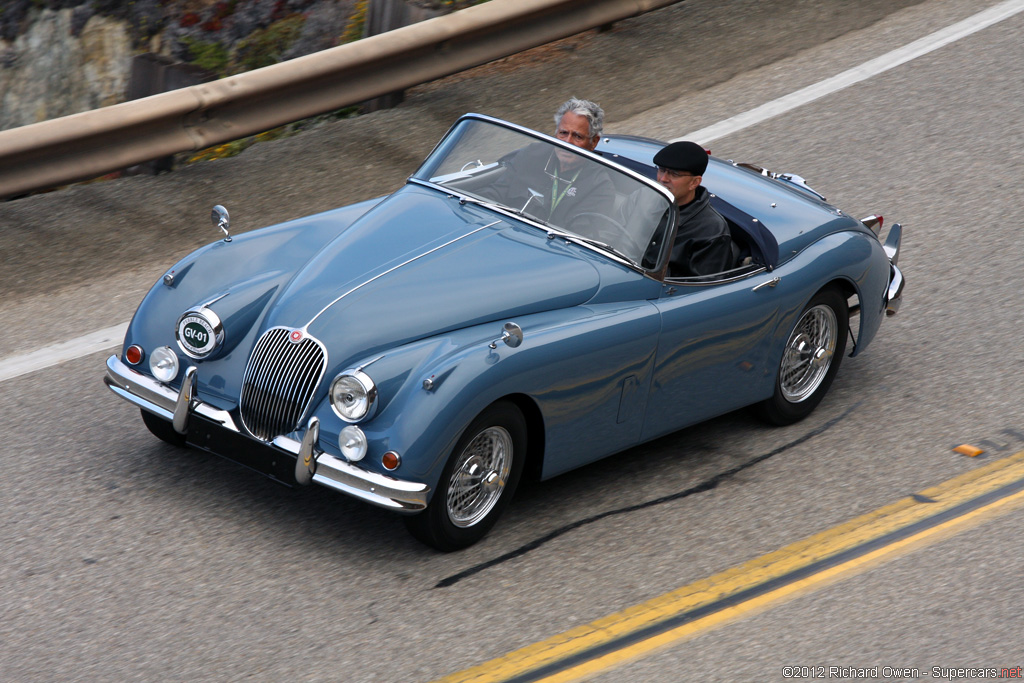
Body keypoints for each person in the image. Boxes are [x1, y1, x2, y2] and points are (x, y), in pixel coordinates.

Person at [491, 98, 616, 228]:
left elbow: (583, 236)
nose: (567, 142)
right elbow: (496, 193)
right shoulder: (532, 154)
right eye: (563, 133)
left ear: (593, 142)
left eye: (577, 136)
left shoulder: (600, 186)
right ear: (556, 133)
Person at [653, 140, 737, 277]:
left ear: (694, 183)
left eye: (674, 174)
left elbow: (702, 287)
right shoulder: (641, 198)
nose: (663, 178)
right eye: (661, 170)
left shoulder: (711, 230)